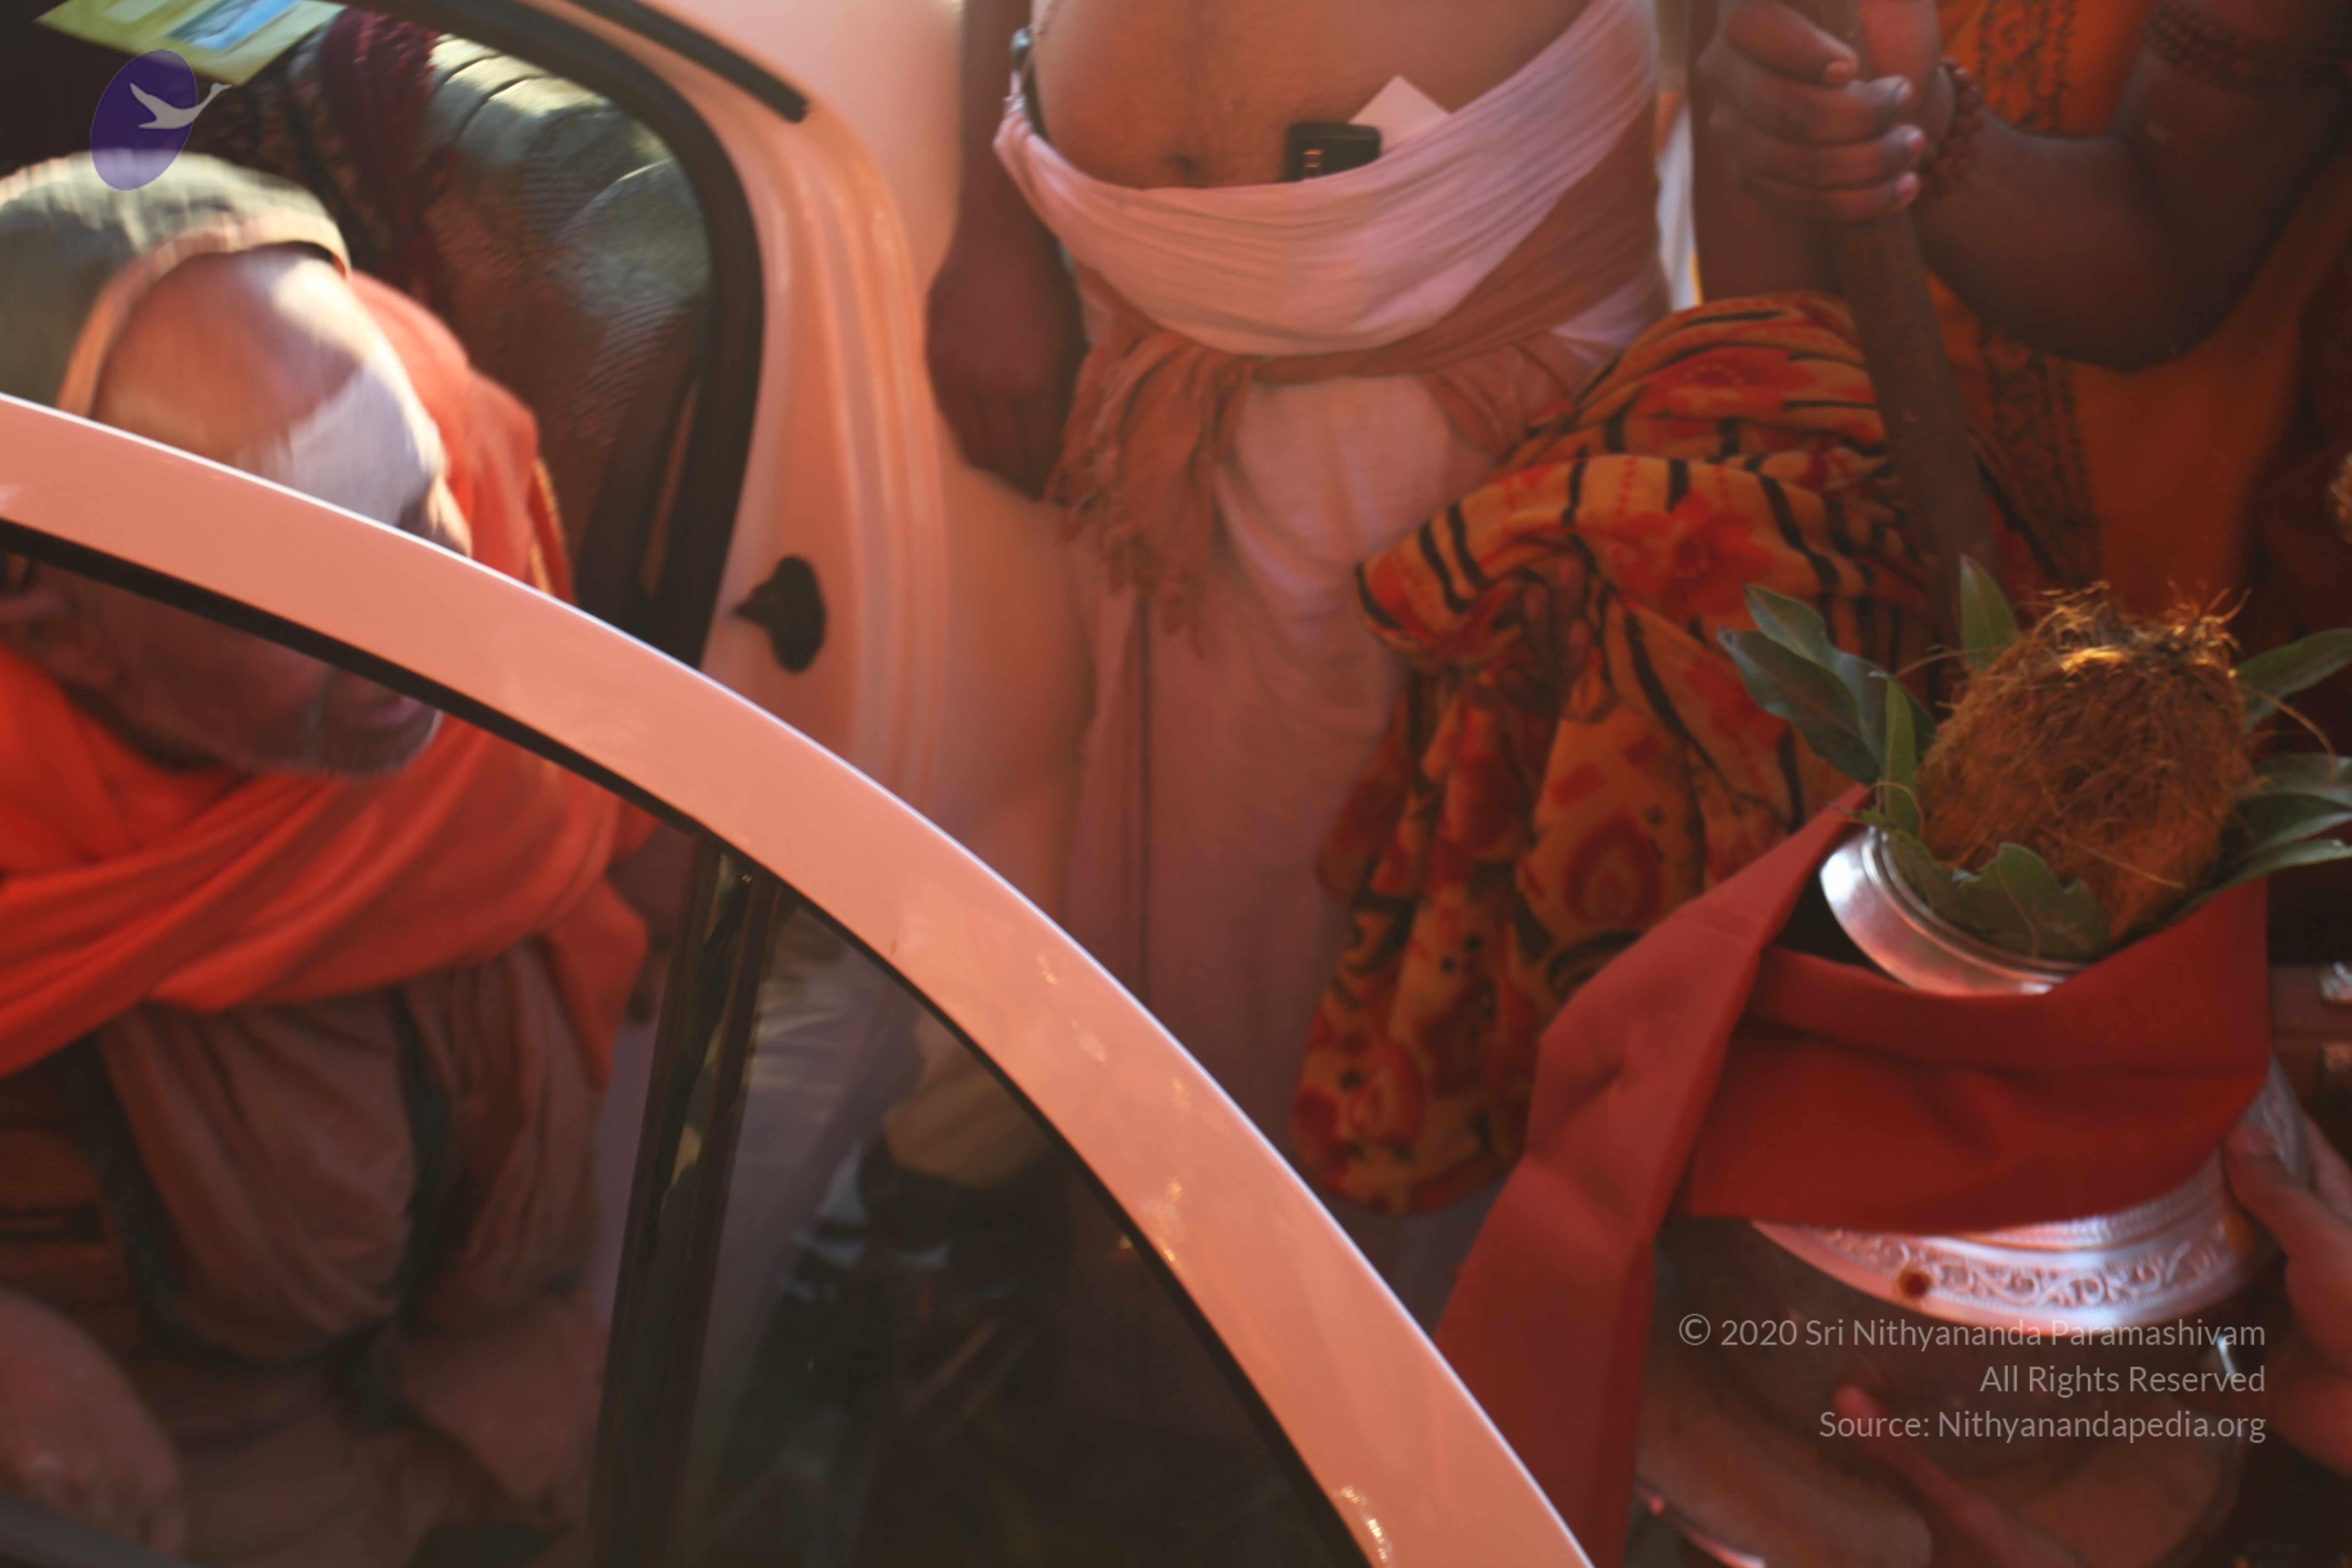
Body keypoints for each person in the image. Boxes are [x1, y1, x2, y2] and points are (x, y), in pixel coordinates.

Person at [925, 0, 1669, 1316]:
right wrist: (995, 223)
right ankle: (1201, 1352)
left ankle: (1409, 1395)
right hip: (1137, 299)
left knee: (1464, 900)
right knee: (1202, 910)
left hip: (1483, 298)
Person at [0, 155, 665, 1567]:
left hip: (520, 1416)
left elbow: (605, 829)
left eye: (414, 519)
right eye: (305, 594)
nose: (419, 634)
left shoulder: (458, 488)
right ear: (63, 631)